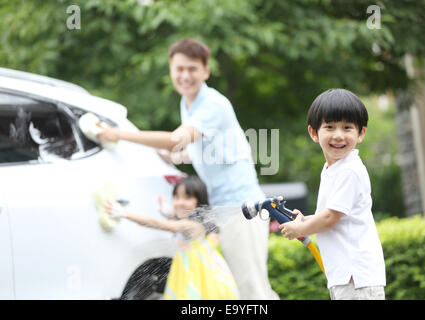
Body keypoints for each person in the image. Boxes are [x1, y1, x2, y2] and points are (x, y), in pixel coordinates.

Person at [97, 38, 278, 299]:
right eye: (179, 69)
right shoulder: (188, 104)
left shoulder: (212, 104)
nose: (185, 75)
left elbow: (175, 138)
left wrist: (118, 134)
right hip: (221, 210)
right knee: (234, 289)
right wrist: (173, 156)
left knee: (253, 289)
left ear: (206, 71)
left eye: (192, 69)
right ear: (171, 70)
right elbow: (196, 148)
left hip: (243, 209)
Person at [279, 89, 386, 300]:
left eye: (347, 127)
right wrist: (306, 219)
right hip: (345, 277)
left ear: (361, 133)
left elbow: (330, 219)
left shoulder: (349, 170)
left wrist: (299, 228)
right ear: (314, 132)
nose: (338, 135)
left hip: (357, 279)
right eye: (330, 127)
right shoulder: (332, 169)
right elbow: (334, 216)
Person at [104, 175, 239, 300]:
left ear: (199, 201)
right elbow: (178, 223)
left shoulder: (192, 226)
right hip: (194, 273)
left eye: (187, 198)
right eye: (176, 197)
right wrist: (169, 214)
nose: (179, 202)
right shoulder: (198, 221)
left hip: (197, 276)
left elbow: (157, 224)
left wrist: (124, 214)